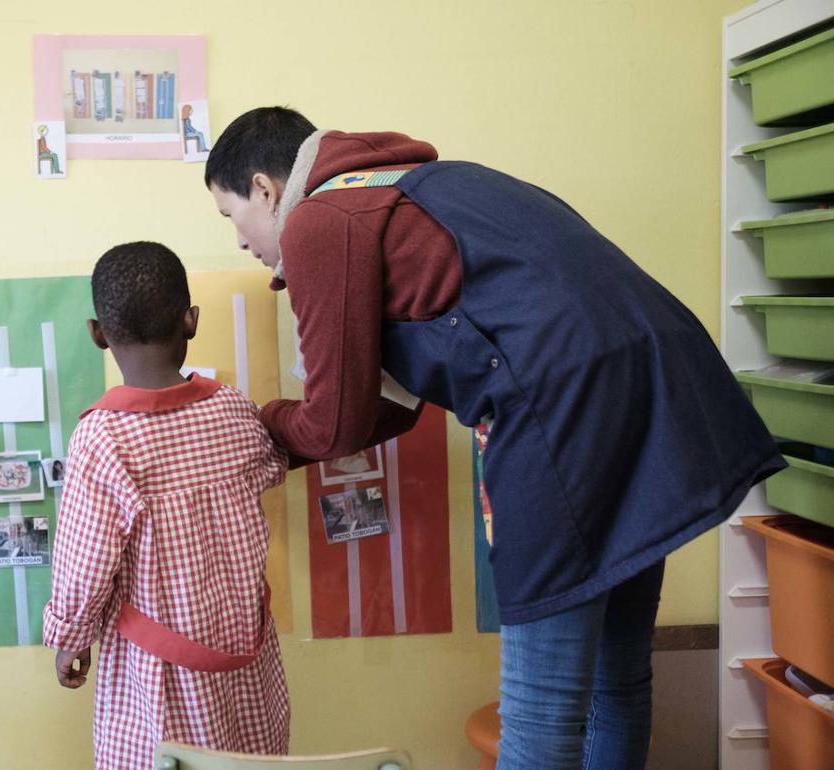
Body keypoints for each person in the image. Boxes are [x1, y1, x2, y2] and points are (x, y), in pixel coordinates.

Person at [203, 106, 785, 770]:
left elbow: (333, 423)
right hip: (656, 372)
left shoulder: (318, 221)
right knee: (617, 680)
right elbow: (380, 410)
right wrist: (294, 428)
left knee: (541, 714)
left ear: (265, 189)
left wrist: (254, 421)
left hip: (565, 405)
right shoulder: (415, 186)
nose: (241, 242)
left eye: (231, 217)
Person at [43, 242, 290, 770]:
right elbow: (271, 466)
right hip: (246, 661)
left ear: (98, 334)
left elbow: (84, 564)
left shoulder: (104, 437)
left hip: (154, 675)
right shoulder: (232, 408)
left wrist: (69, 638)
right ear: (191, 320)